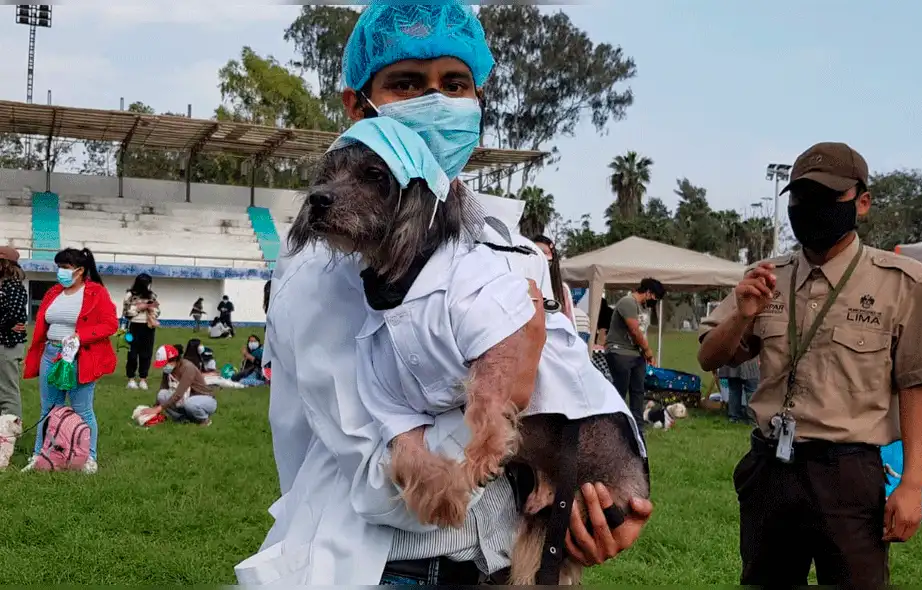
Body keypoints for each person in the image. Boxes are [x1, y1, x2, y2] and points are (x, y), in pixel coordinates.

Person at [235, 3, 652, 585]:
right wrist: (507, 391)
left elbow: (571, 390)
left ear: (477, 99)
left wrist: (596, 501)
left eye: (454, 84)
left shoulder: (499, 236)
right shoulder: (323, 266)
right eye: (407, 83)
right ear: (358, 105)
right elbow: (377, 475)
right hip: (392, 566)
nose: (436, 101)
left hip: (500, 559)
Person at [697, 142, 922, 588]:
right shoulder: (766, 277)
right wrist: (742, 314)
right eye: (801, 197)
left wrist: (912, 484)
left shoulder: (902, 283)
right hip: (771, 468)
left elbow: (916, 385)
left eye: (826, 197)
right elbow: (709, 357)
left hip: (848, 474)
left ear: (863, 202)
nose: (810, 208)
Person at [22, 247, 117, 473]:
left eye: (65, 268)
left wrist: (80, 336)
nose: (60, 272)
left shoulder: (96, 293)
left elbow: (110, 324)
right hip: (50, 355)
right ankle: (39, 455)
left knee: (83, 409)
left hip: (79, 357)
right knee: (48, 408)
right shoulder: (54, 292)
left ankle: (89, 457)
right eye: (59, 268)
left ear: (80, 270)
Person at [605, 278, 666, 427]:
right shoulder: (628, 302)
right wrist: (648, 351)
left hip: (636, 354)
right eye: (655, 298)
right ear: (648, 292)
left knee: (638, 391)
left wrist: (645, 354)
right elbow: (634, 331)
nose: (655, 302)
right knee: (620, 390)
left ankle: (637, 425)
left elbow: (642, 333)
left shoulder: (644, 307)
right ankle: (615, 424)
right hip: (620, 352)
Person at [141, 344, 217, 426]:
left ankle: (204, 420)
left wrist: (158, 409)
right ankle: (182, 418)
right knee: (161, 395)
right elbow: (163, 386)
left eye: (165, 363)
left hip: (205, 400)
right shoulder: (168, 369)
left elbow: (179, 394)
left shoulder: (188, 368)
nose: (163, 366)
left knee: (190, 404)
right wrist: (155, 406)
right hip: (186, 398)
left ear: (174, 360)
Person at [0, 246, 28, 419]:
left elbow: (15, 315)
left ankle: (9, 434)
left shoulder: (14, 287)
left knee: (7, 392)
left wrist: (6, 323)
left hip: (7, 345)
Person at [123, 273, 160, 391]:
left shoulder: (152, 295)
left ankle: (143, 378)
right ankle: (131, 378)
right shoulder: (130, 295)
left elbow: (158, 311)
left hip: (148, 326)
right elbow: (126, 312)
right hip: (134, 326)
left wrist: (151, 308)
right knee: (132, 353)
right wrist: (139, 308)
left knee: (146, 354)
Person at [533, 235, 574, 323]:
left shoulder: (562, 290)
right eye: (536, 252)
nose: (540, 258)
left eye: (544, 253)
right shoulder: (520, 286)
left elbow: (568, 322)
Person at [718, 358, 759, 424]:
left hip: (733, 361)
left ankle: (734, 417)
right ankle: (752, 418)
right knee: (751, 389)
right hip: (748, 360)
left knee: (735, 389)